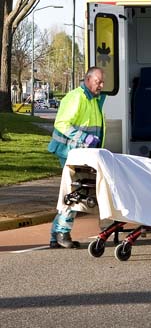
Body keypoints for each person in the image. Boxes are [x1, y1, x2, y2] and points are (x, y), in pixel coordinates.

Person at [47, 67, 107, 249]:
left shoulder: (93, 99)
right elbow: (61, 123)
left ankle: (56, 234)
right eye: (98, 82)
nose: (101, 85)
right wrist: (84, 138)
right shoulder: (77, 98)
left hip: (80, 153)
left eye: (102, 82)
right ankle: (62, 233)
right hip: (70, 152)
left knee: (75, 191)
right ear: (88, 80)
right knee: (75, 193)